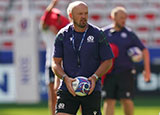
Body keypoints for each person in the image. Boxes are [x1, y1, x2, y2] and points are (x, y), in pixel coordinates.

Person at [52, 1, 114, 115]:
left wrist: (95, 77)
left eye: (86, 13)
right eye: (80, 14)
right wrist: (65, 78)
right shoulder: (62, 35)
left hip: (91, 88)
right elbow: (55, 63)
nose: (84, 17)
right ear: (71, 15)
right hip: (68, 87)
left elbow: (108, 61)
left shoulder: (98, 34)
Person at [101, 6, 151, 115]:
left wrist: (147, 71)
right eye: (121, 18)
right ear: (113, 17)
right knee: (109, 100)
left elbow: (144, 50)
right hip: (108, 72)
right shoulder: (104, 33)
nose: (124, 20)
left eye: (125, 18)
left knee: (127, 100)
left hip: (126, 72)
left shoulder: (129, 34)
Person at [40, 0, 70, 115]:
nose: (56, 20)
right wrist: (53, 4)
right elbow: (45, 17)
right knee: (53, 95)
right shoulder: (45, 30)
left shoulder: (64, 31)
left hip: (65, 64)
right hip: (51, 64)